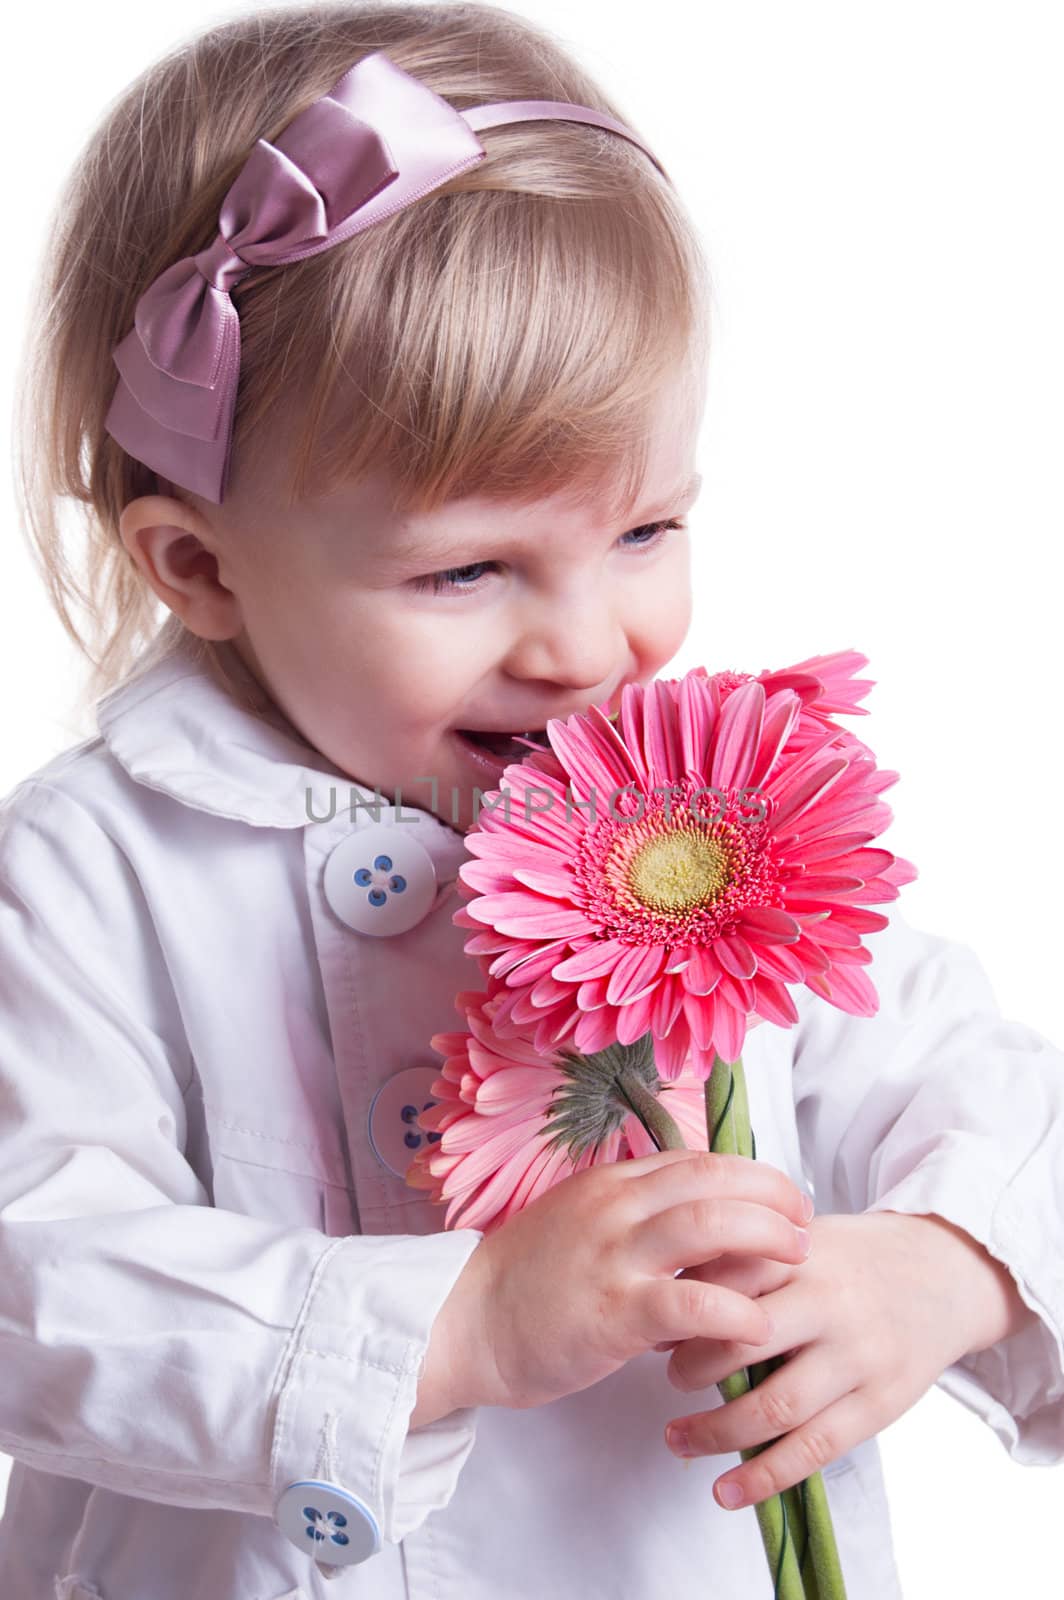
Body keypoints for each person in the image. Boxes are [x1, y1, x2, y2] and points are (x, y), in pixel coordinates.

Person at [1, 4, 1062, 1597]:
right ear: (201, 566)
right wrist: (457, 1328)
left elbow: (994, 1094)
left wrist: (948, 1266)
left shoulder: (718, 827)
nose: (586, 647)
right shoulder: (91, 873)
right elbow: (35, 1276)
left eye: (644, 531)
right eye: (470, 568)